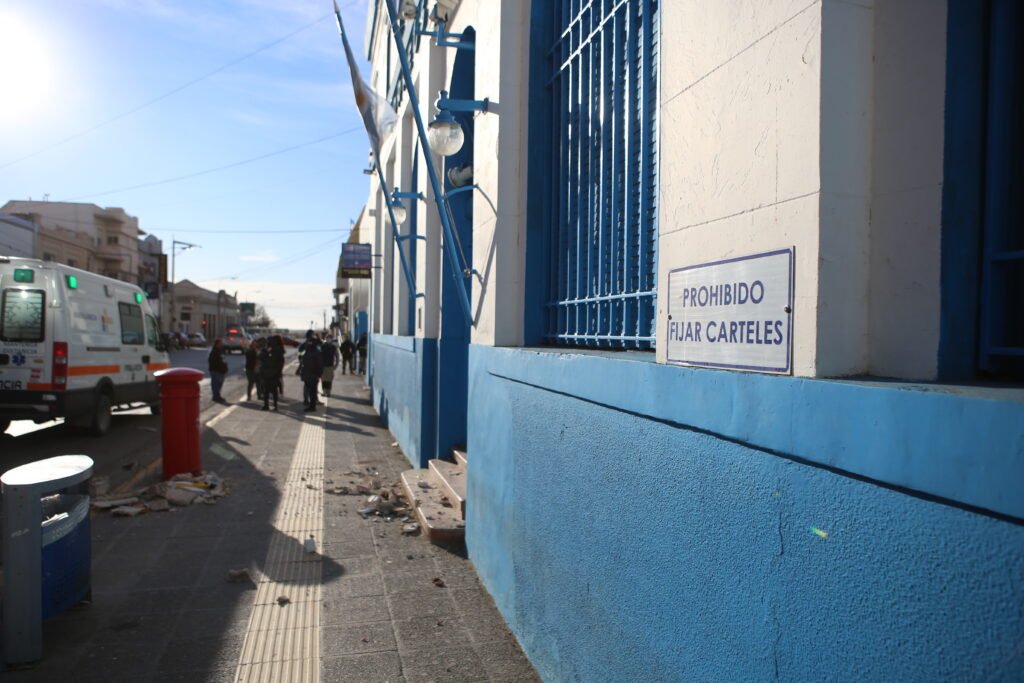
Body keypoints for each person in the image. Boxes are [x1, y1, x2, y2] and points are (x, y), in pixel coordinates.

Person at [298, 330, 324, 412]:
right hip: (310, 372)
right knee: (311, 389)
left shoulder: (309, 346)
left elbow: (301, 356)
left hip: (310, 372)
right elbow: (300, 355)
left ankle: (311, 404)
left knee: (311, 389)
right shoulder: (313, 347)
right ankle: (310, 402)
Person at [260, 336, 284, 411]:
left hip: (268, 373)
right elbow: (281, 362)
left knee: (267, 390)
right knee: (273, 390)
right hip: (273, 373)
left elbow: (260, 358)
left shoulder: (268, 350)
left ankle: (267, 405)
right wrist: (279, 371)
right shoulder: (277, 350)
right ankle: (274, 405)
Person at [208, 338, 229, 403]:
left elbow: (223, 360)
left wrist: (225, 368)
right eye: (220, 343)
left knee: (219, 384)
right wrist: (219, 369)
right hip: (216, 371)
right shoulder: (214, 352)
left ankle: (218, 396)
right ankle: (215, 397)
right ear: (217, 344)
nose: (221, 344)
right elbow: (214, 362)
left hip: (221, 371)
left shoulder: (221, 351)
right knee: (216, 384)